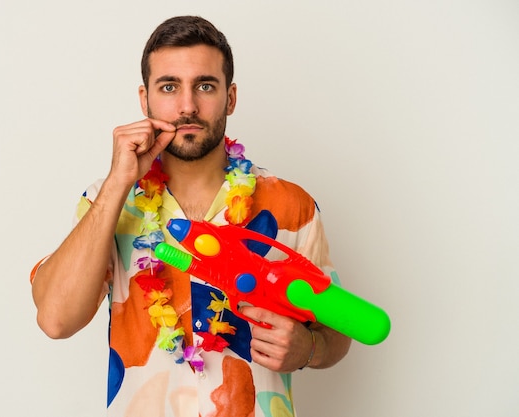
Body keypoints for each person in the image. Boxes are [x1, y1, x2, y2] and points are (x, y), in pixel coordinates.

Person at [30, 15, 351, 417]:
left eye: (205, 86)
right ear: (145, 98)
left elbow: (340, 326)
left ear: (230, 97)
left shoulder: (291, 206)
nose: (187, 106)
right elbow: (56, 320)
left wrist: (310, 349)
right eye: (169, 87)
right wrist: (117, 183)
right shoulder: (106, 200)